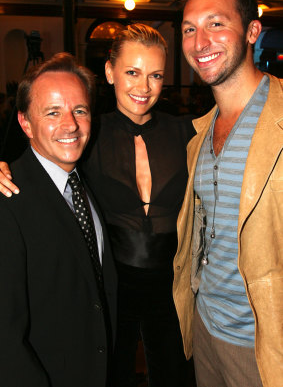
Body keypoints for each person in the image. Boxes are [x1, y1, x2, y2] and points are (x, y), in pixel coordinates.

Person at [0, 24, 195, 387]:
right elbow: (35, 153)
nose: (144, 87)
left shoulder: (185, 131)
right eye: (132, 72)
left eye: (155, 75)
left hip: (171, 289)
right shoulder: (90, 133)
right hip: (112, 288)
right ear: (110, 72)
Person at [172, 0, 283, 387]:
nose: (200, 43)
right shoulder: (199, 134)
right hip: (204, 327)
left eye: (216, 24)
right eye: (189, 29)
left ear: (252, 31)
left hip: (263, 344)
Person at [0, 53, 117, 387]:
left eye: (79, 110)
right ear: (25, 122)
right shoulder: (8, 200)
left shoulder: (85, 181)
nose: (71, 124)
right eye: (53, 112)